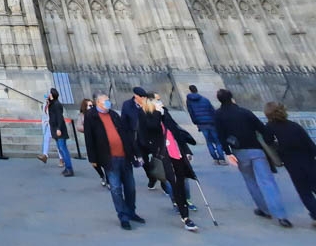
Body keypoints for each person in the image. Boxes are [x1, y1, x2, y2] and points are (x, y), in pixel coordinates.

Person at [214, 88, 291, 227]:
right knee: (268, 182)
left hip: (239, 152)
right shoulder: (245, 112)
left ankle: (264, 210)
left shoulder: (218, 115)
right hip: (257, 150)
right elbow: (263, 129)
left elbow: (220, 136)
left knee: (250, 181)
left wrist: (227, 152)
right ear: (232, 98)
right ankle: (281, 216)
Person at [263, 101, 316, 230]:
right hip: (310, 163)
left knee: (305, 193)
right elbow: (312, 147)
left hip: (293, 167)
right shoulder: (295, 126)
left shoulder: (269, 128)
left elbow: (268, 143)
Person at [84, 94, 145, 230]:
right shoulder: (91, 116)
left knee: (130, 187)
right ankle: (123, 216)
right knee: (116, 188)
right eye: (105, 101)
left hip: (124, 156)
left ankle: (131, 211)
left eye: (108, 101)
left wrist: (134, 151)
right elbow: (89, 138)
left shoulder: (114, 115)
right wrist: (92, 158)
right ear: (98, 103)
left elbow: (125, 134)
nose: (108, 103)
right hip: (108, 158)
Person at [138, 94, 199, 232]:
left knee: (181, 182)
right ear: (150, 103)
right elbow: (151, 129)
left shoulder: (165, 113)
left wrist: (187, 150)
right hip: (163, 155)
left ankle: (181, 205)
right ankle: (185, 217)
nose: (160, 102)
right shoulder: (146, 116)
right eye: (157, 100)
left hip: (177, 153)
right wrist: (158, 114)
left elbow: (177, 131)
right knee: (175, 182)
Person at [186, 85, 225, 164]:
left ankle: (215, 158)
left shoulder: (189, 101)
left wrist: (195, 121)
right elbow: (212, 111)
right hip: (211, 122)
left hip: (201, 123)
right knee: (217, 140)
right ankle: (221, 158)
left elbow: (191, 113)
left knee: (209, 141)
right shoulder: (205, 100)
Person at [78, 99, 106, 186]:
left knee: (105, 160)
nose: (92, 107)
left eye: (92, 105)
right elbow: (79, 127)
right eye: (89, 105)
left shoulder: (97, 114)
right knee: (94, 161)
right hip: (90, 140)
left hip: (100, 140)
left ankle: (109, 177)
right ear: (85, 107)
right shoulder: (82, 116)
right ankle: (102, 175)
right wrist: (88, 129)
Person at [48, 88, 74, 177]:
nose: (49, 95)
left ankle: (69, 169)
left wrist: (59, 128)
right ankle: (67, 168)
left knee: (63, 149)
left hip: (59, 130)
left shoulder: (57, 104)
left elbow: (59, 117)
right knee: (61, 149)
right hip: (55, 129)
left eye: (50, 94)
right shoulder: (52, 104)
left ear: (53, 95)